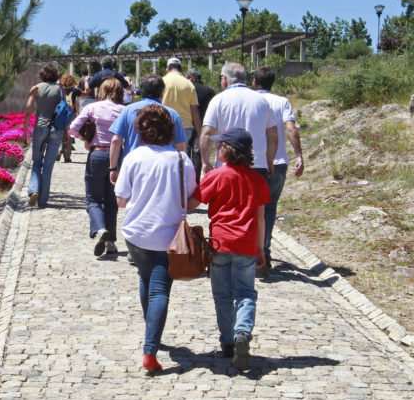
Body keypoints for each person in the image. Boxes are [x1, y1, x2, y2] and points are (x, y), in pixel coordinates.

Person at [115, 104, 196, 374]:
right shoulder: (181, 159)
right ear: (171, 129)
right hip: (167, 235)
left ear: (141, 130)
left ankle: (152, 328)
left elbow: (121, 200)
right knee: (160, 288)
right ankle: (150, 351)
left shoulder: (134, 157)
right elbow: (191, 197)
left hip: (136, 234)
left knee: (145, 278)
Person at [189, 128, 270, 371]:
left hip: (220, 244)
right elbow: (261, 218)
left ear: (228, 150)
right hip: (246, 245)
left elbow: (193, 204)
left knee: (222, 295)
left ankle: (227, 343)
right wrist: (261, 249)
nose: (217, 149)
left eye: (220, 145)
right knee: (245, 293)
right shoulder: (258, 179)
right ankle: (242, 332)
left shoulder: (216, 176)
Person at [251, 67, 304, 275]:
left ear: (254, 82)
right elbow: (291, 128)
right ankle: (264, 253)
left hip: (253, 163)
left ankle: (248, 255)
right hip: (279, 162)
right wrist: (299, 155)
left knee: (250, 208)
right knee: (269, 209)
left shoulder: (250, 100)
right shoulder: (282, 102)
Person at [68, 78, 124, 257]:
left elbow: (73, 128)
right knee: (111, 199)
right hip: (118, 156)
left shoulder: (92, 108)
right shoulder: (124, 110)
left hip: (97, 153)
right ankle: (111, 242)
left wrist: (86, 139)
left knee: (93, 199)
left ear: (102, 91)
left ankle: (99, 229)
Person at [197, 61, 278, 183]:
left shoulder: (218, 100)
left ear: (224, 79)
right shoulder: (262, 101)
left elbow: (207, 133)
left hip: (226, 167)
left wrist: (205, 162)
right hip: (257, 165)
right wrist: (269, 162)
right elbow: (272, 136)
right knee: (255, 202)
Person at [107, 75, 188, 187]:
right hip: (163, 167)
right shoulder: (172, 113)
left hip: (133, 165)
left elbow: (116, 141)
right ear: (162, 92)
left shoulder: (128, 110)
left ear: (142, 91)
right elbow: (180, 146)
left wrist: (113, 167)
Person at [22, 63, 65, 207]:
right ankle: (42, 200)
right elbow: (65, 111)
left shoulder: (36, 88)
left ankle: (33, 189)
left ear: (42, 75)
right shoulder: (60, 89)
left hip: (40, 127)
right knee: (48, 166)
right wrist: (67, 132)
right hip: (56, 129)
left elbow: (28, 110)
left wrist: (24, 132)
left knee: (36, 161)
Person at [160, 57, 203, 147]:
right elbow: (194, 110)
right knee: (181, 157)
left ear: (167, 69)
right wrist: (199, 135)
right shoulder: (189, 84)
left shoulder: (161, 82)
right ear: (181, 69)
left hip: (164, 125)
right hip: (185, 127)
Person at [186, 68, 215, 179]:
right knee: (198, 155)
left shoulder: (187, 90)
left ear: (191, 78)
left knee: (186, 153)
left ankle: (186, 178)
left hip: (188, 125)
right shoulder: (210, 91)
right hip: (203, 126)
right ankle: (196, 180)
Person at [59, 72, 79, 163]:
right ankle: (67, 156)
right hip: (71, 113)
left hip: (61, 113)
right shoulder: (75, 91)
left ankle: (59, 150)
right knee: (69, 133)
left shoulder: (59, 89)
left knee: (60, 132)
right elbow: (77, 104)